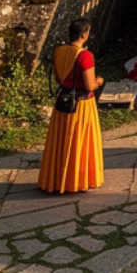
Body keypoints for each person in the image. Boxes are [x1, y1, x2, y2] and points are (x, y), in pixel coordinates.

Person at [38, 17, 105, 194]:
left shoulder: (59, 51)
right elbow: (89, 85)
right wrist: (99, 81)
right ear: (84, 34)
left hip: (63, 101)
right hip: (81, 106)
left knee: (60, 142)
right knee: (78, 142)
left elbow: (59, 77)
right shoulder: (85, 56)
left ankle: (55, 179)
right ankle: (76, 180)